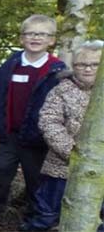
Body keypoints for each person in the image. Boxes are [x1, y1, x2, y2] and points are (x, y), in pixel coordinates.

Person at [0, 14, 67, 226]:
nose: (35, 38)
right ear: (22, 38)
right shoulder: (11, 65)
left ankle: (35, 215)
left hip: (38, 139)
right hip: (10, 135)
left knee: (36, 178)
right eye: (30, 33)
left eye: (42, 34)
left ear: (51, 40)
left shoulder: (57, 70)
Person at [20, 40, 103, 231]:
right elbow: (49, 121)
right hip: (60, 167)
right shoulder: (61, 90)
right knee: (47, 212)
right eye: (82, 64)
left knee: (94, 215)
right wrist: (73, 152)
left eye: (94, 64)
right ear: (74, 66)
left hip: (99, 170)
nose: (88, 69)